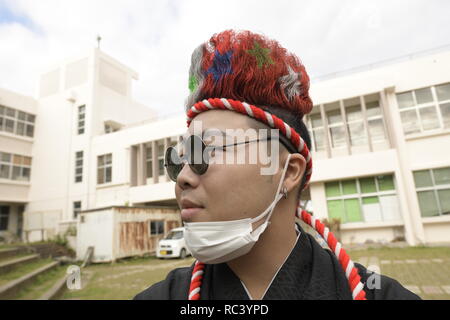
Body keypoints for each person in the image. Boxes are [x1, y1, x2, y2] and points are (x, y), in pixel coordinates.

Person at [134, 30, 420, 300]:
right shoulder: (166, 295)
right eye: (177, 159)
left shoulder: (374, 293)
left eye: (204, 150)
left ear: (289, 172)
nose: (182, 177)